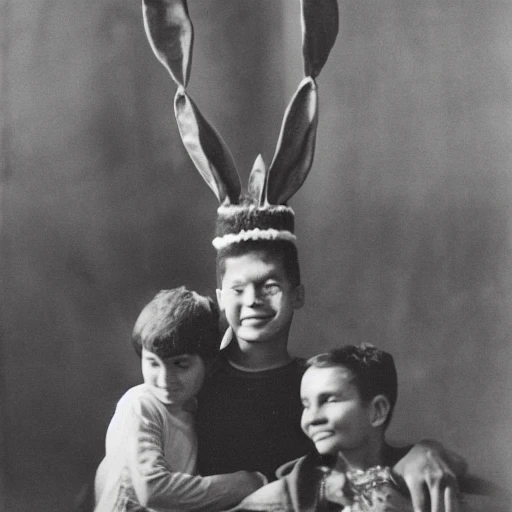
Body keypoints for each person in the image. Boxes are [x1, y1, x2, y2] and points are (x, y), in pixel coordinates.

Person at [142, 1, 467, 509]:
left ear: (297, 293)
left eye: (270, 285)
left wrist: (423, 451)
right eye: (238, 288)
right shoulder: (190, 379)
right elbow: (136, 469)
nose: (253, 301)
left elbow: (372, 453)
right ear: (219, 294)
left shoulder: (314, 386)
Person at [229, 344, 510, 512]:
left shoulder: (426, 478)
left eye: (329, 400)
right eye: (306, 404)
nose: (312, 417)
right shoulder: (290, 493)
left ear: (377, 411)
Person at [93, 287, 265, 512]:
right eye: (153, 363)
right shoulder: (140, 405)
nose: (165, 380)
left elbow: (225, 345)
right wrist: (246, 484)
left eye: (180, 364)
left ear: (209, 363)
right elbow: (152, 491)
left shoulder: (193, 405)